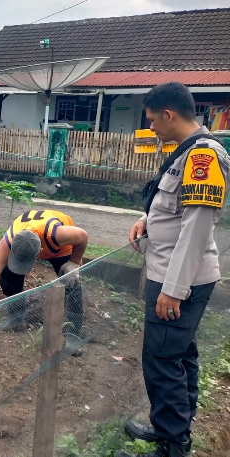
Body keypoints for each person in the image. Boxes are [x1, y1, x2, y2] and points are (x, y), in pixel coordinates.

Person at [117, 82, 230, 457]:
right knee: (180, 355)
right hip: (175, 274)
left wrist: (172, 290)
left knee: (163, 360)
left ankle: (172, 445)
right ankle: (173, 426)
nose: (151, 129)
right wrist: (145, 219)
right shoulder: (186, 152)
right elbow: (174, 209)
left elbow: (196, 230)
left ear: (169, 114)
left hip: (178, 279)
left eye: (152, 121)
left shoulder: (202, 158)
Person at [0, 209, 88, 347]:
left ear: (40, 254)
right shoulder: (8, 241)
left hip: (61, 248)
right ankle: (16, 319)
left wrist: (74, 262)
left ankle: (74, 337)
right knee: (8, 276)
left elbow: (82, 236)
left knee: (71, 283)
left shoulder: (56, 234)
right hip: (34, 238)